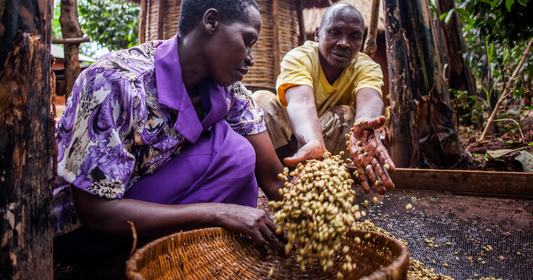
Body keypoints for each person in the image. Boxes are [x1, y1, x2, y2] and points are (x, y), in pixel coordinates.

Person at [52, 0, 286, 276]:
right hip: (83, 231)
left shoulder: (229, 90)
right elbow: (95, 213)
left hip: (146, 204)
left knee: (239, 155)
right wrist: (220, 212)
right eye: (247, 41)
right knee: (233, 152)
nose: (250, 57)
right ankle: (118, 266)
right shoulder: (114, 82)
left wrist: (317, 217)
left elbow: (273, 180)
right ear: (211, 22)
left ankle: (165, 255)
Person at [253, 3, 396, 195]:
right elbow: (301, 103)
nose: (344, 43)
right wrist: (314, 142)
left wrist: (365, 124)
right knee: (260, 101)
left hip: (328, 155)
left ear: (361, 41)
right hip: (287, 142)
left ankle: (326, 184)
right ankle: (273, 180)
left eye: (354, 36)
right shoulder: (299, 57)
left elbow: (370, 100)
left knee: (347, 115)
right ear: (318, 34)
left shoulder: (366, 67)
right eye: (335, 33)